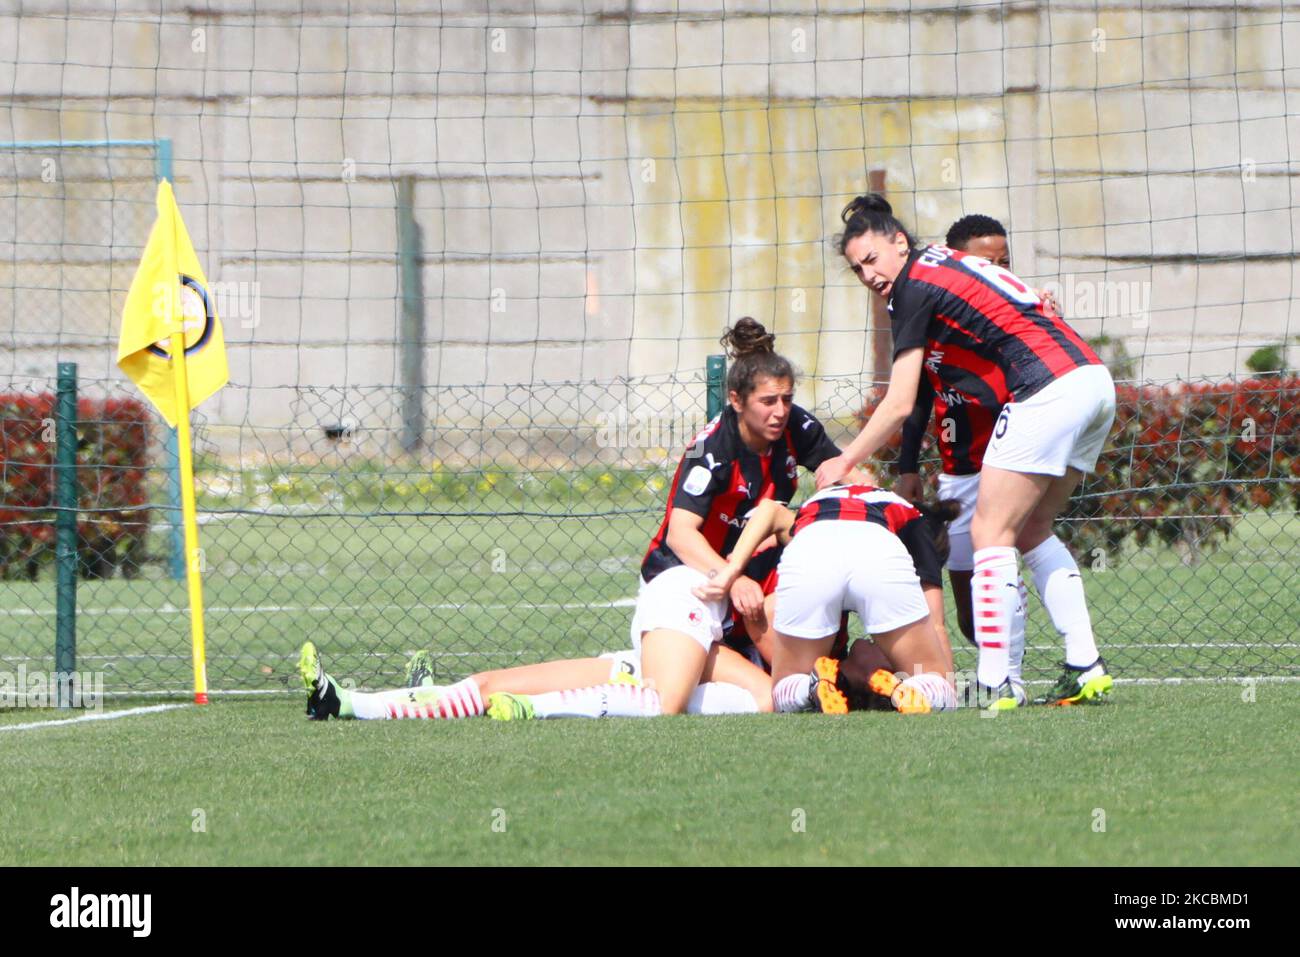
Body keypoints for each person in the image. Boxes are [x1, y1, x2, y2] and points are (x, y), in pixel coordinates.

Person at [816, 194, 1116, 709]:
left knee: (988, 533)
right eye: (856, 268)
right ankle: (1084, 663)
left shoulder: (913, 286)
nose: (867, 274)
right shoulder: (947, 262)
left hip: (1047, 386)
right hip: (1092, 381)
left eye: (871, 259)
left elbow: (900, 402)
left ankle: (998, 682)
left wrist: (844, 459)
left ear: (899, 244)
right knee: (1030, 530)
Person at [894, 214, 1030, 704]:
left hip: (1008, 466)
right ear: (957, 262)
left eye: (1005, 262)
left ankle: (1009, 679)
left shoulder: (1012, 318)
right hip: (958, 474)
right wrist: (908, 467)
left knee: (1005, 566)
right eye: (984, 261)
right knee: (970, 608)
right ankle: (1000, 668)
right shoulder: (931, 315)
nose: (997, 270)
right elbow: (916, 403)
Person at [696, 488, 959, 714]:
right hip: (876, 544)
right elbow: (936, 624)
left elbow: (769, 508)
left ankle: (809, 686)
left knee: (785, 688)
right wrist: (949, 690)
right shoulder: (919, 521)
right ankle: (912, 689)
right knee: (936, 684)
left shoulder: (823, 501)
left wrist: (733, 570)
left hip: (811, 544)